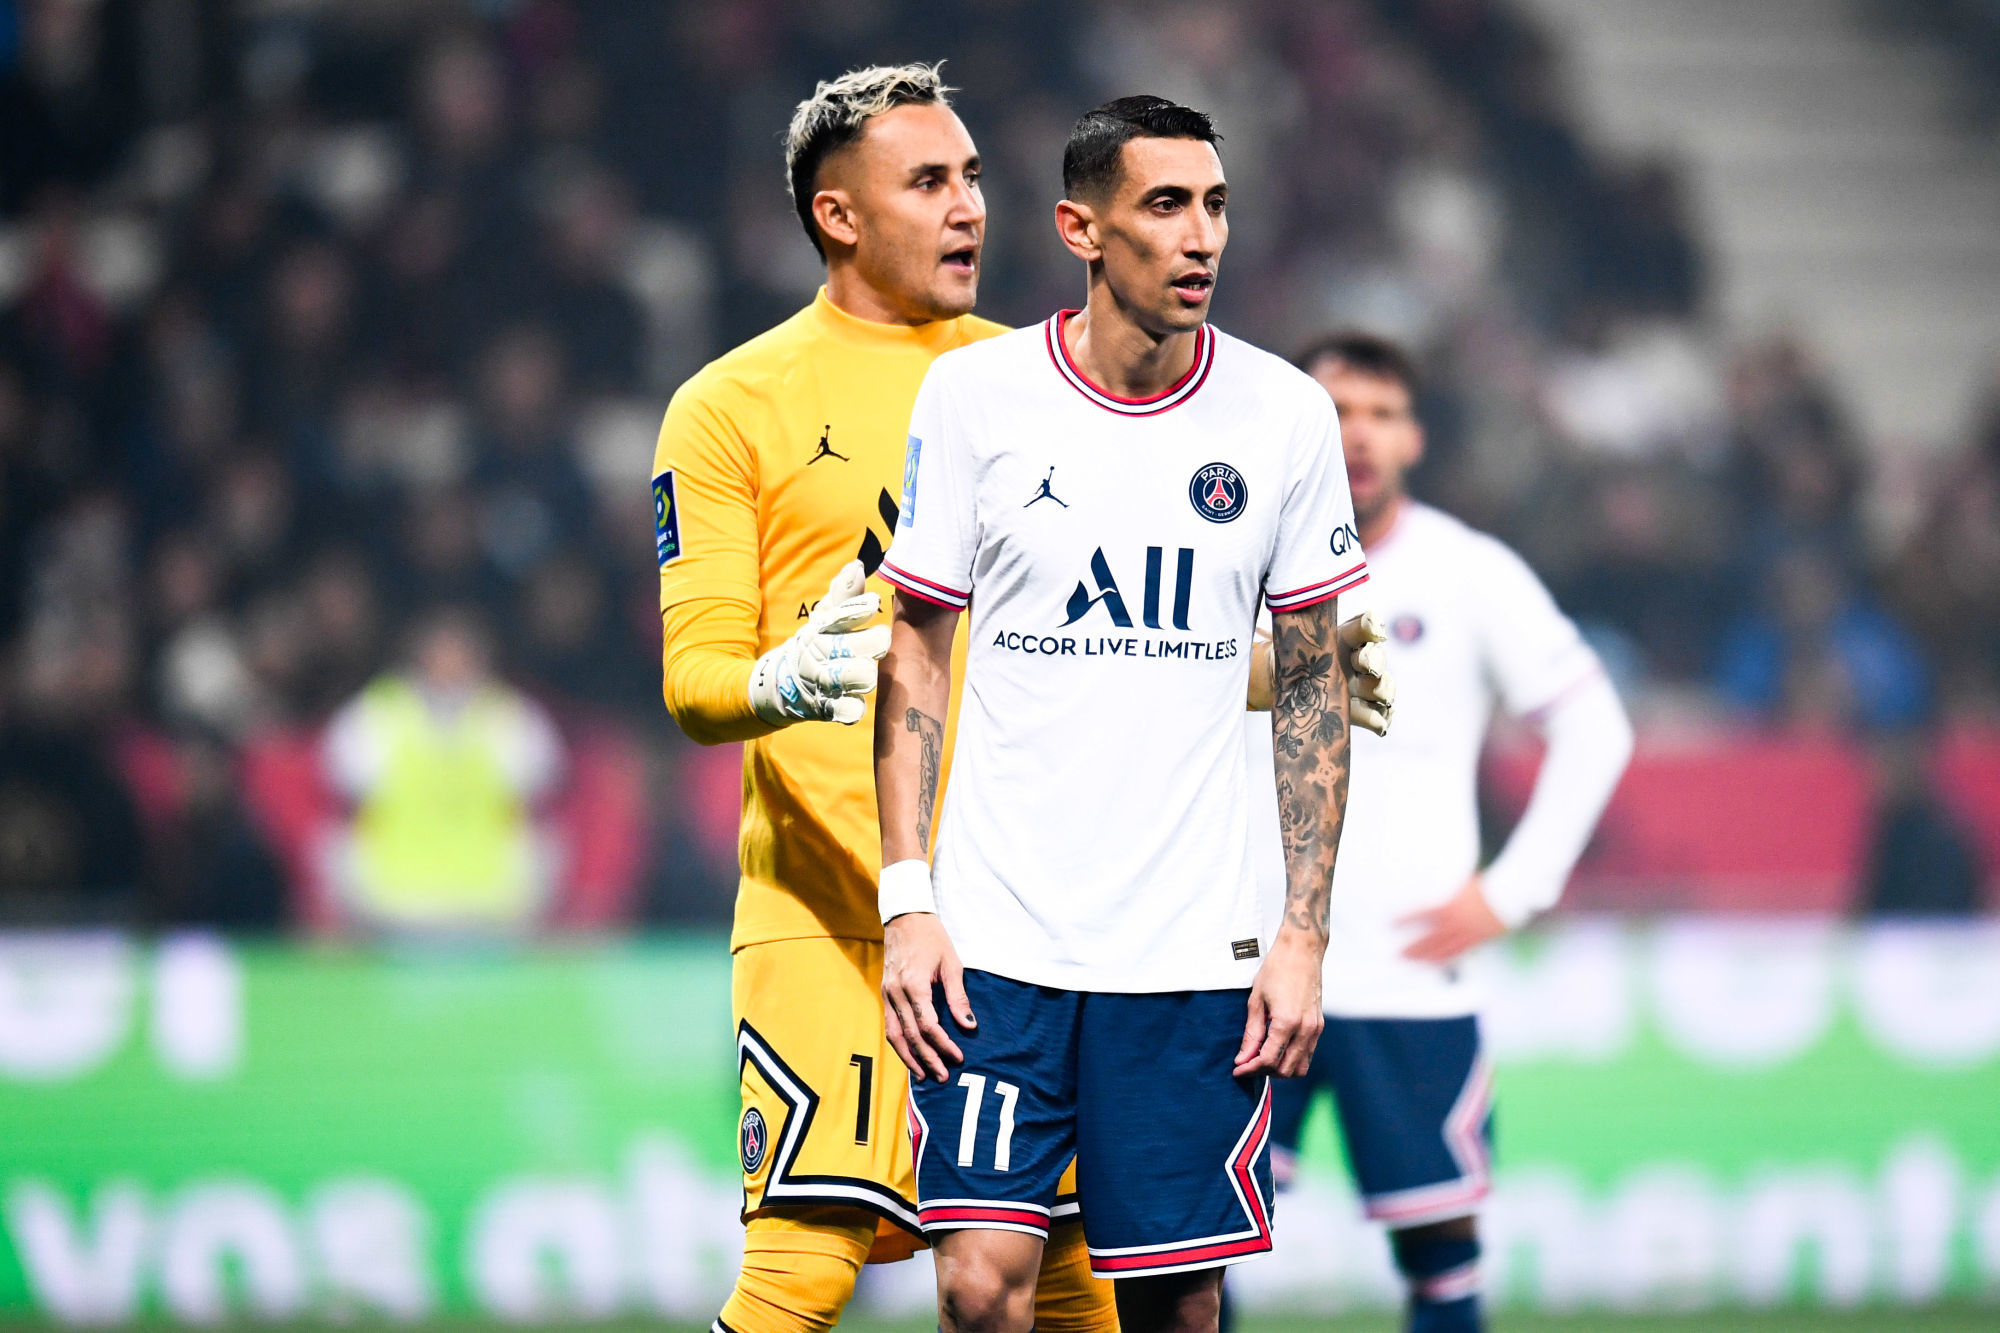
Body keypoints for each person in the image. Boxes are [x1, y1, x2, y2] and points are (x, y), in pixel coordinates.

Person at [874, 97, 1364, 1333]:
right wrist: (907, 899)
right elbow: (915, 653)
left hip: (1191, 952)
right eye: (1165, 205)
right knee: (977, 1287)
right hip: (999, 944)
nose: (1201, 237)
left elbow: (1313, 684)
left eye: (1215, 206)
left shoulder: (1283, 415)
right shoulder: (975, 397)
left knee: (1177, 1308)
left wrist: (1303, 933)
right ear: (1079, 229)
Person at [650, 64, 1116, 1333]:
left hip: (1018, 916)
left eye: (971, 177)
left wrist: (1270, 674)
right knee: (802, 1268)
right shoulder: (730, 406)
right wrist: (779, 679)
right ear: (838, 215)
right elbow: (695, 680)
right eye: (927, 182)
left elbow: (1117, 635)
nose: (969, 206)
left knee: (1064, 1276)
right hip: (823, 914)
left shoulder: (1045, 386)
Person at [1259, 333, 1634, 1333]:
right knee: (1194, 1256)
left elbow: (1594, 725)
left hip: (1407, 971)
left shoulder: (1469, 572)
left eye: (1381, 413)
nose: (1358, 435)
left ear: (1414, 436)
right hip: (1246, 969)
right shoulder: (1231, 556)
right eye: (1336, 411)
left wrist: (1513, 890)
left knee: (1441, 1255)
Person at [322, 606, 565, 935]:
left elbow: (533, 810)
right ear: (416, 656)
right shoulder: (374, 715)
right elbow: (348, 811)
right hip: (393, 906)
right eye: (439, 652)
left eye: (459, 652)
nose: (448, 662)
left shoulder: (513, 718)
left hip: (492, 907)